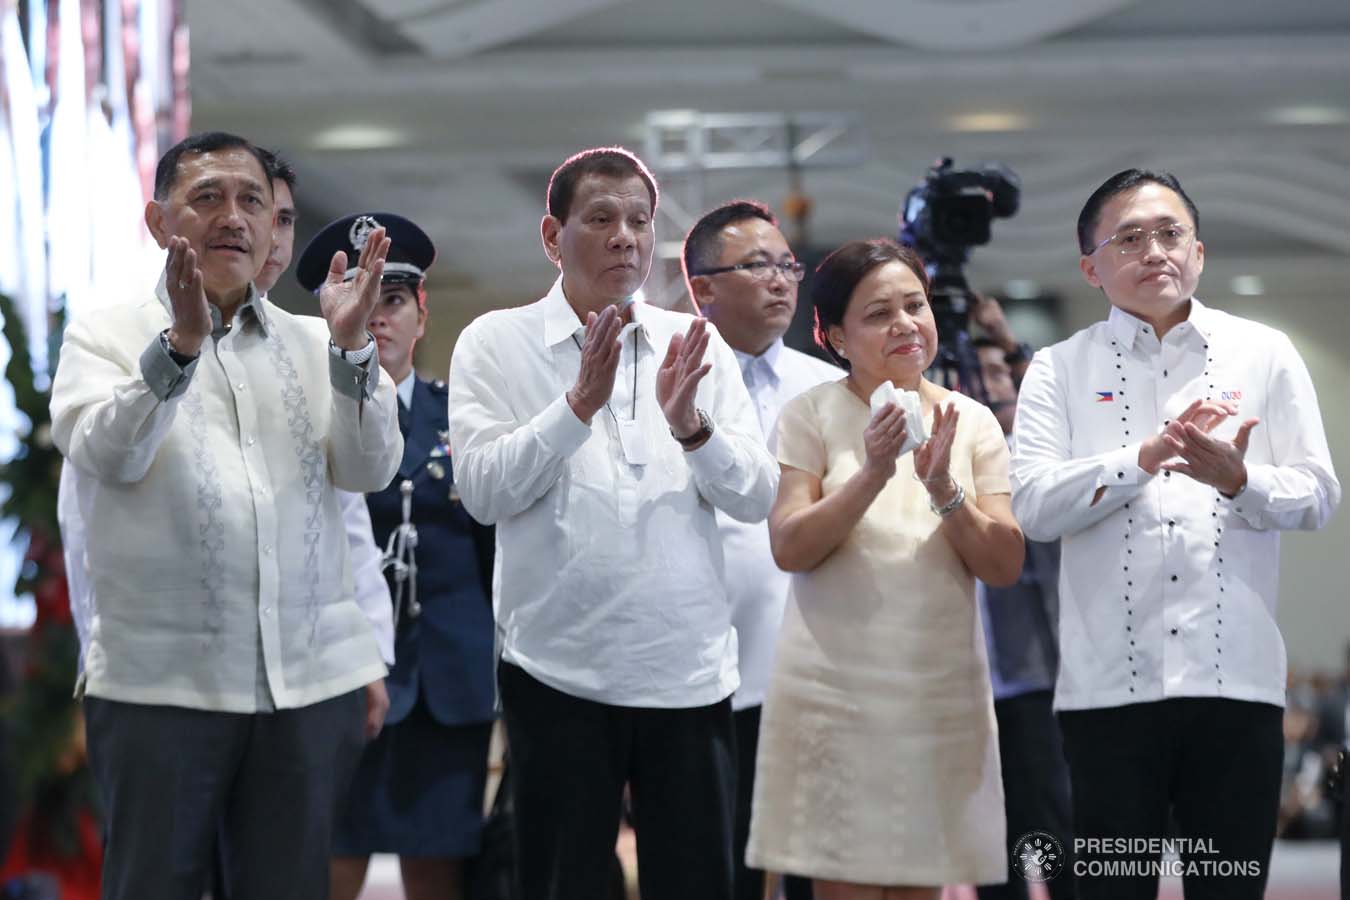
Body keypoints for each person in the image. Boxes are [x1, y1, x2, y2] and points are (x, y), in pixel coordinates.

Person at [48, 131, 402, 900]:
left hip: (306, 687)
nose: (234, 217)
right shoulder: (102, 335)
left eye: (251, 200)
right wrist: (176, 348)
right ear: (157, 221)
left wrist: (352, 354)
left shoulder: (317, 342)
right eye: (206, 197)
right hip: (161, 685)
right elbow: (108, 454)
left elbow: (370, 469)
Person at [446, 146, 778, 900]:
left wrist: (692, 427)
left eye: (639, 221)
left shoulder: (696, 346)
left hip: (687, 673)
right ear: (551, 237)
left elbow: (757, 497)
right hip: (557, 671)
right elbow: (484, 492)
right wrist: (576, 408)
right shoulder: (496, 342)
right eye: (600, 218)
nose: (626, 236)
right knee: (562, 884)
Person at [1010, 169, 1341, 899]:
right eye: (1130, 238)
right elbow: (1032, 506)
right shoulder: (1058, 369)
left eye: (1171, 234)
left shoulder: (1264, 352)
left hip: (1237, 687)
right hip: (1105, 698)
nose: (1155, 251)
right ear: (1091, 267)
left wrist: (1239, 480)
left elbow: (1319, 496)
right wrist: (1143, 458)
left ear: (1200, 252)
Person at [746, 237, 1024, 900]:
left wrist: (944, 491)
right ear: (835, 335)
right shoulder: (809, 414)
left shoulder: (971, 420)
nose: (905, 324)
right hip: (835, 692)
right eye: (878, 314)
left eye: (914, 306)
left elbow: (1005, 561)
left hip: (936, 689)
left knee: (919, 885)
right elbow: (789, 545)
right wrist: (873, 470)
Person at [298, 213, 496, 900]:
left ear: (421, 313)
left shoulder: (462, 418)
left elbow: (494, 554)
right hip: (341, 670)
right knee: (330, 859)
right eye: (362, 298)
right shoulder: (308, 418)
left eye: (392, 299)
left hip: (449, 677)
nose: (376, 317)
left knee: (439, 869)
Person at [683, 199, 841, 900]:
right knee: (721, 865)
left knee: (815, 862)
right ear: (703, 287)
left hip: (809, 659)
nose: (781, 281)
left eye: (787, 266)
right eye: (757, 266)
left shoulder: (828, 390)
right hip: (700, 665)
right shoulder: (668, 381)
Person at [971, 330, 1076, 900]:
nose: (999, 386)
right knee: (991, 841)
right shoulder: (945, 451)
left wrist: (1011, 343)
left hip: (1035, 674)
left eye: (1004, 373)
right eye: (983, 374)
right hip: (967, 679)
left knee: (1056, 824)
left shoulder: (1039, 453)